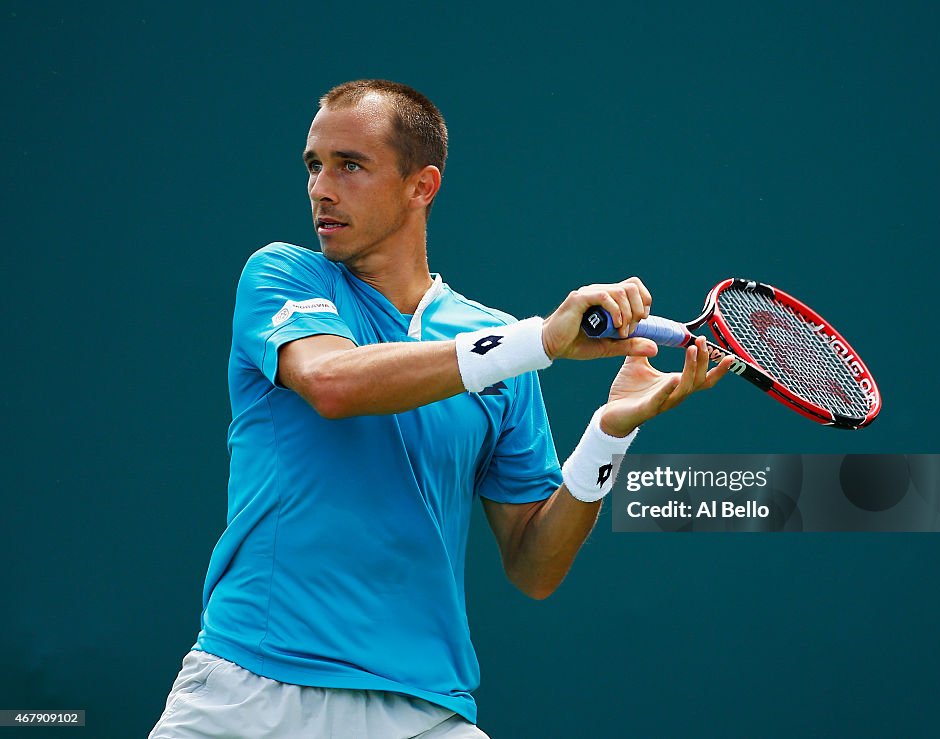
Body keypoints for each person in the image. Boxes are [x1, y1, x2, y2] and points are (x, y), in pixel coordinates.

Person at [150, 79, 731, 738]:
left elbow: (534, 566)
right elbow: (333, 382)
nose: (320, 187)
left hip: (422, 712)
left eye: (350, 164)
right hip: (246, 693)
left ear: (421, 186)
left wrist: (609, 432)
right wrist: (536, 341)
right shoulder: (283, 275)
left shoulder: (501, 351)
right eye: (314, 165)